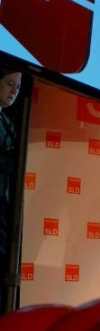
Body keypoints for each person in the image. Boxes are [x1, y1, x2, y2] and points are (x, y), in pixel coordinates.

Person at [0, 64, 23, 310]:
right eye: (9, 84)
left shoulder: (10, 123)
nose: (14, 91)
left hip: (4, 205)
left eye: (17, 87)